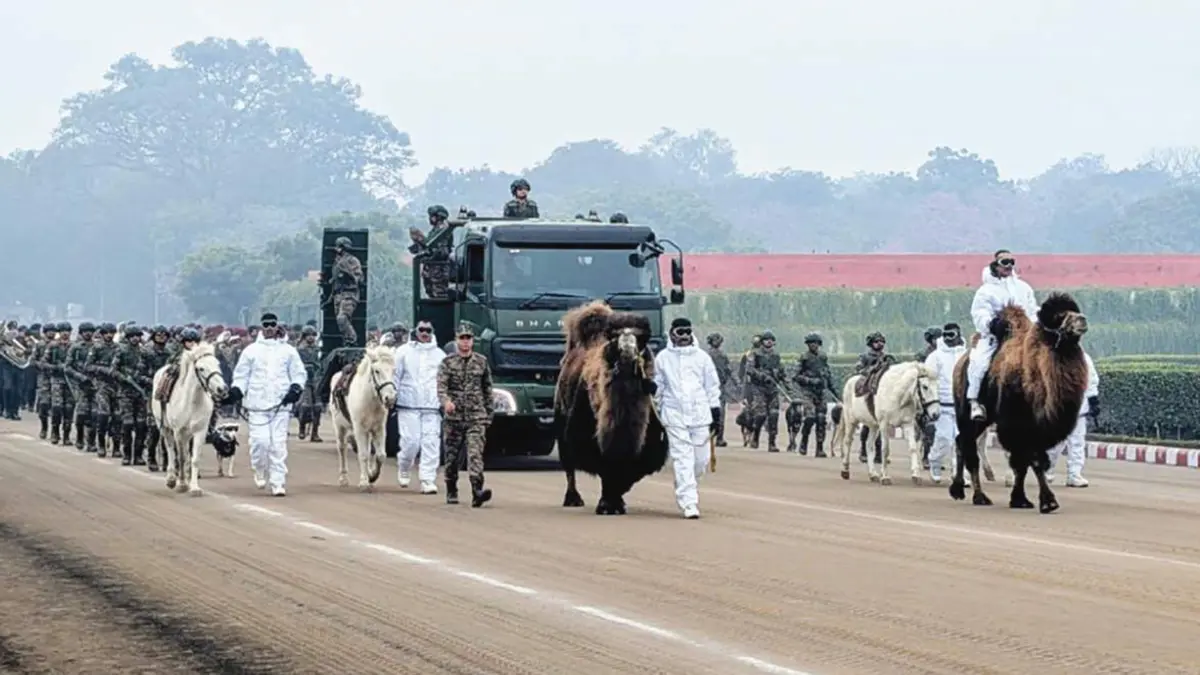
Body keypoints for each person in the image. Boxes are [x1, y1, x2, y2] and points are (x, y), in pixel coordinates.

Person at [227, 313, 307, 497]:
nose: (270, 327)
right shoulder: (251, 351)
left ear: (277, 326)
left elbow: (298, 373)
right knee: (261, 442)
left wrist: (295, 388)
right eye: (266, 324)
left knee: (278, 444)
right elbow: (241, 375)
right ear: (262, 327)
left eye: (273, 324)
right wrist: (237, 390)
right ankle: (259, 469)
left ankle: (278, 482)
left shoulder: (288, 350)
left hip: (281, 405)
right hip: (257, 405)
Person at [653, 318, 721, 519]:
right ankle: (689, 503)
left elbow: (712, 385)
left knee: (700, 460)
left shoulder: (702, 358)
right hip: (674, 415)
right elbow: (659, 385)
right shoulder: (663, 358)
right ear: (672, 334)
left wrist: (715, 409)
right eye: (679, 332)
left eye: (687, 332)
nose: (683, 336)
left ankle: (685, 483)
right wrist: (653, 394)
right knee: (683, 458)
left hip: (700, 414)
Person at [966, 249, 1038, 421]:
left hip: (1023, 335)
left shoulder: (1024, 288)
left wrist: (1036, 325)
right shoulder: (986, 291)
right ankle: (974, 401)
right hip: (996, 336)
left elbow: (1032, 310)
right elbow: (979, 313)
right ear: (996, 265)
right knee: (979, 363)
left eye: (1012, 262)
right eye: (1005, 262)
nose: (1009, 266)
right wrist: (991, 324)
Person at [436, 322, 494, 507]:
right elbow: (441, 387)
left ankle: (477, 490)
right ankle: (451, 488)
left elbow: (488, 389)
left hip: (476, 416)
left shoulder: (481, 362)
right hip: (454, 418)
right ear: (456, 340)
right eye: (462, 338)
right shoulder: (447, 363)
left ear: (473, 341)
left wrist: (488, 413)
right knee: (452, 458)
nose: (465, 342)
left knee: (475, 454)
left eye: (468, 338)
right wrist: (446, 403)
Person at [393, 319, 446, 494]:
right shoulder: (403, 352)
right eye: (421, 330)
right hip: (408, 405)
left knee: (431, 443)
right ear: (416, 331)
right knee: (411, 443)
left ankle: (428, 479)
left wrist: (444, 400)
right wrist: (392, 396)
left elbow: (444, 381)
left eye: (428, 330)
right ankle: (404, 466)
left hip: (431, 407)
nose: (425, 333)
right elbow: (395, 376)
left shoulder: (440, 355)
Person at [1046, 350, 1098, 488]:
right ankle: (1048, 471)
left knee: (1077, 443)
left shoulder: (1084, 358)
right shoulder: (1054, 357)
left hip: (1079, 408)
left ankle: (1074, 474)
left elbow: (1092, 379)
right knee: (1055, 444)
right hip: (1059, 408)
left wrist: (1094, 400)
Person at [923, 323, 966, 483]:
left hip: (962, 404)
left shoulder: (967, 354)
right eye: (945, 335)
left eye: (952, 335)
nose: (948, 338)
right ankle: (934, 460)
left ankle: (960, 473)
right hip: (943, 404)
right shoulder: (935, 356)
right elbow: (928, 381)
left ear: (958, 335)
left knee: (962, 440)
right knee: (945, 439)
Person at [792, 332, 837, 457]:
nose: (814, 345)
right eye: (811, 343)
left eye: (816, 343)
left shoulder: (823, 357)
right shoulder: (804, 358)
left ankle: (820, 448)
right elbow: (795, 376)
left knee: (821, 419)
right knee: (810, 417)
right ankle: (804, 442)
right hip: (807, 392)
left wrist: (834, 391)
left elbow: (827, 374)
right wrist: (810, 380)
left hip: (820, 392)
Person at [745, 329, 784, 451]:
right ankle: (755, 436)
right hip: (759, 388)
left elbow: (782, 372)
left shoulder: (776, 356)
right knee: (761, 415)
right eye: (767, 340)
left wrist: (781, 378)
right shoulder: (755, 354)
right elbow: (749, 370)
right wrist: (762, 376)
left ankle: (772, 442)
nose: (769, 342)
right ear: (762, 342)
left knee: (774, 415)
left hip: (772, 389)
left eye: (771, 340)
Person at [327, 236, 365, 347]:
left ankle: (352, 341)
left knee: (342, 318)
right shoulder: (337, 262)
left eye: (339, 247)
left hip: (349, 294)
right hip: (338, 295)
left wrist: (346, 270)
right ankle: (347, 342)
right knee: (340, 322)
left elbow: (359, 278)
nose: (337, 249)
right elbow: (335, 282)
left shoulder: (352, 260)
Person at [702, 333, 732, 447]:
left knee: (720, 413)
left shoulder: (721, 355)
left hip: (719, 388)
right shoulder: (705, 356)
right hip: (708, 388)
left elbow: (728, 370)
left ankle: (719, 437)